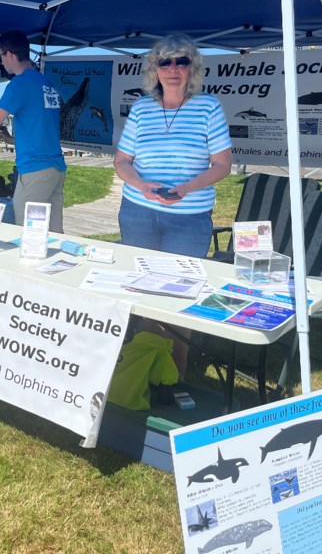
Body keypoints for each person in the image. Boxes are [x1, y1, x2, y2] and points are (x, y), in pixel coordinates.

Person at [112, 34, 233, 382]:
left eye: (182, 61)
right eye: (165, 62)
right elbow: (122, 162)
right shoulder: (141, 108)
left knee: (179, 297)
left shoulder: (208, 107)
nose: (173, 68)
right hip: (138, 212)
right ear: (155, 69)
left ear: (192, 68)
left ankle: (173, 378)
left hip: (188, 219)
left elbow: (222, 165)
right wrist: (142, 186)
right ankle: (140, 370)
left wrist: (185, 188)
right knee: (141, 291)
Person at [0, 30, 67, 232]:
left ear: (10, 55)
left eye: (0, 56)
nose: (1, 62)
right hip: (55, 170)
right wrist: (11, 139)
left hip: (35, 172)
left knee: (29, 236)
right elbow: (43, 131)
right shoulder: (45, 82)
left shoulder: (20, 84)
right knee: (54, 235)